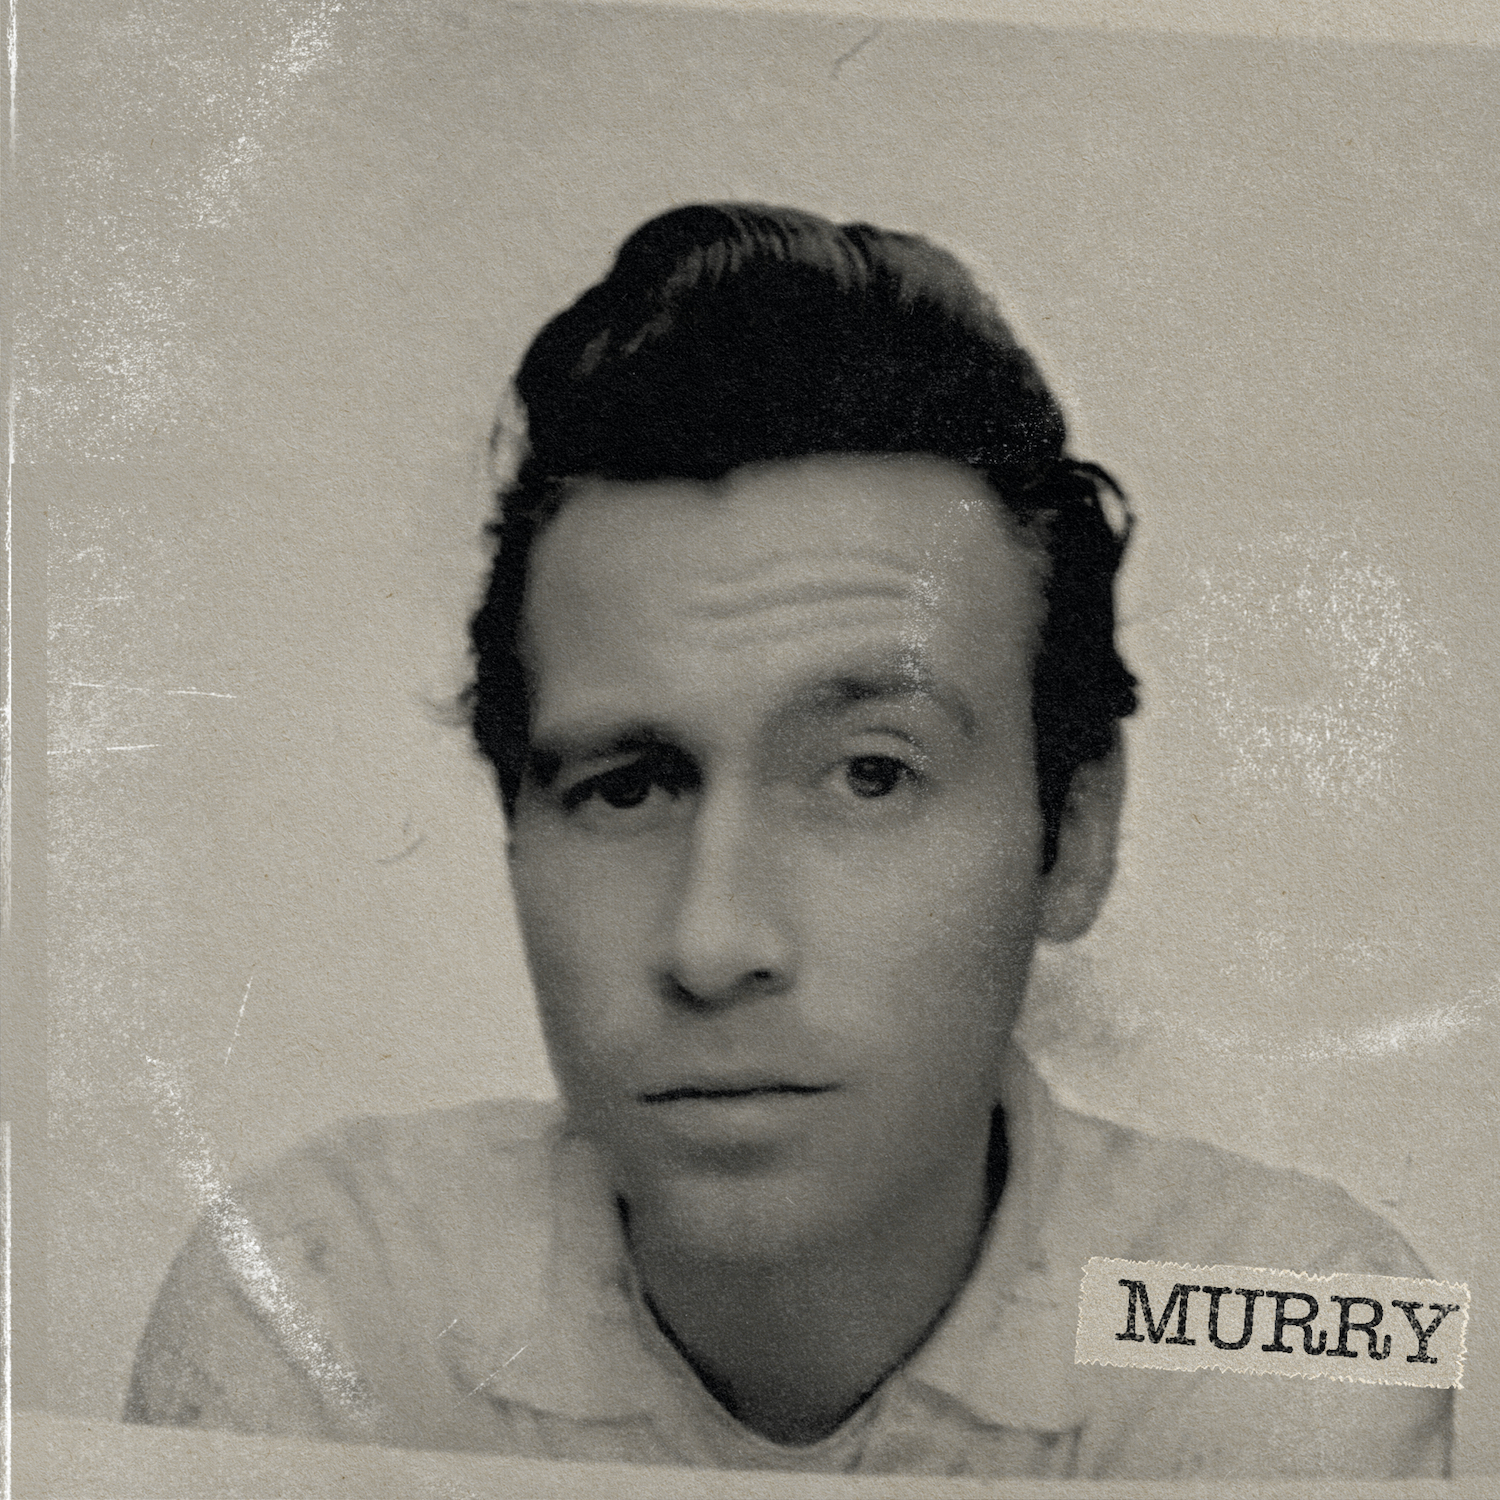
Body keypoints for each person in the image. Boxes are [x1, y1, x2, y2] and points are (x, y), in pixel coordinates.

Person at [125, 203, 1453, 1478]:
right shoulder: (324, 1294)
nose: (714, 946)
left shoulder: (1295, 1313)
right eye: (626, 789)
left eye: (871, 776)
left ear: (1075, 833)